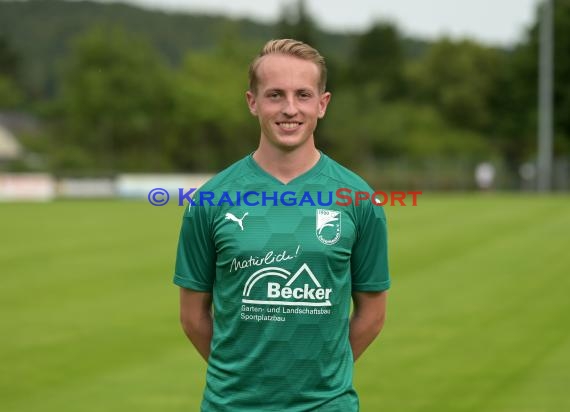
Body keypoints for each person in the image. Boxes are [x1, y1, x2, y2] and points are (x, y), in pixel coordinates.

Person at [174, 38, 390, 411]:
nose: (290, 109)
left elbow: (372, 314)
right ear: (252, 102)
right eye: (275, 95)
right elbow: (193, 316)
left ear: (322, 105)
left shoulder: (358, 198)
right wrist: (242, 380)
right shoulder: (211, 199)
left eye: (303, 95)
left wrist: (323, 380)